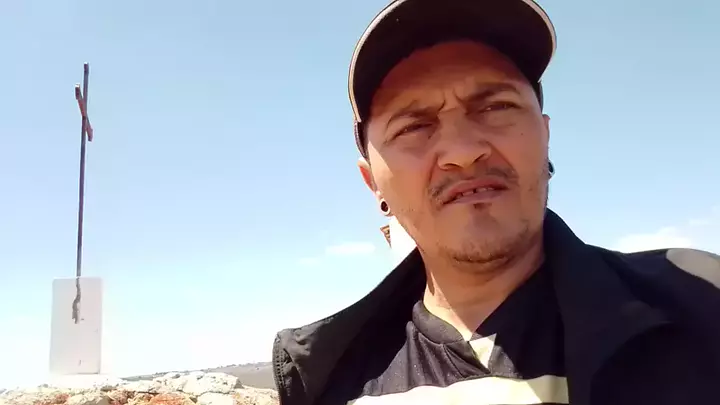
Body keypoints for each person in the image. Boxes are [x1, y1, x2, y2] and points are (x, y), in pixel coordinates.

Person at [271, 0, 720, 404]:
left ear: (544, 136)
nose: (464, 152)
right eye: (413, 127)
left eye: (495, 107)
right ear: (374, 184)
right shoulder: (326, 382)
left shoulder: (702, 301)